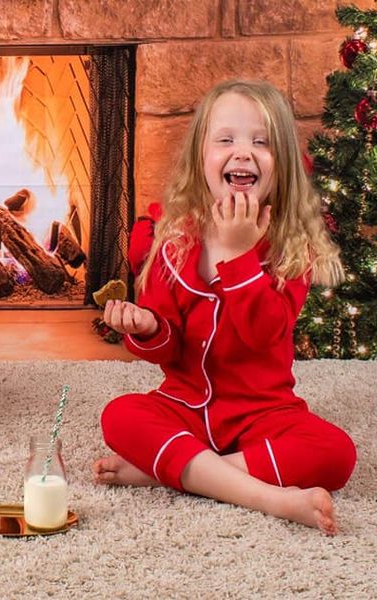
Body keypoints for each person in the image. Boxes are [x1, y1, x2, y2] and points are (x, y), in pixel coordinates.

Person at [92, 79, 356, 535]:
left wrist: (238, 257)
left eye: (261, 142)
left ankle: (182, 471)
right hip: (184, 406)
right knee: (120, 415)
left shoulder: (292, 248)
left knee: (336, 453)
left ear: (284, 165)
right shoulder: (174, 238)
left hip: (264, 412)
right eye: (226, 139)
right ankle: (262, 494)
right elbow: (167, 348)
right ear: (201, 156)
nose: (243, 152)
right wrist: (147, 326)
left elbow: (263, 334)